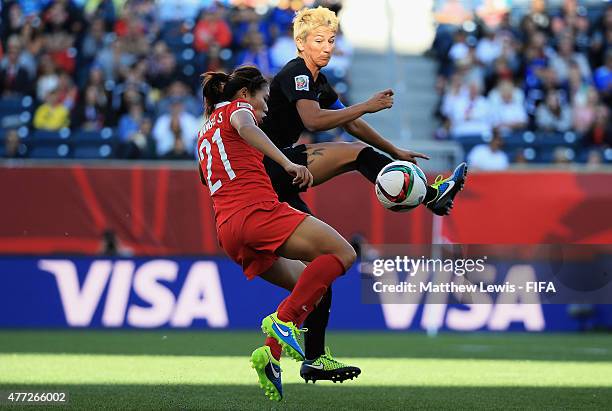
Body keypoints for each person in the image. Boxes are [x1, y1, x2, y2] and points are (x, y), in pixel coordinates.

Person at [260, 6, 468, 383]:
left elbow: (352, 123)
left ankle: (311, 358)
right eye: (319, 41)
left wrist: (396, 152)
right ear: (301, 42)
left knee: (321, 268)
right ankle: (431, 196)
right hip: (272, 166)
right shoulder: (296, 74)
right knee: (356, 155)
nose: (326, 48)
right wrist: (368, 104)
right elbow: (313, 121)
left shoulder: (319, 80)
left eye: (331, 41)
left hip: (281, 176)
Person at [197, 66, 357, 401]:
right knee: (344, 254)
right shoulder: (237, 110)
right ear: (245, 94)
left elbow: (205, 174)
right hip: (257, 211)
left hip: (227, 229)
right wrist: (286, 162)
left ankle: (270, 355)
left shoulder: (204, 132)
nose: (267, 108)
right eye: (263, 99)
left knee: (309, 287)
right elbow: (244, 125)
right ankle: (284, 322)